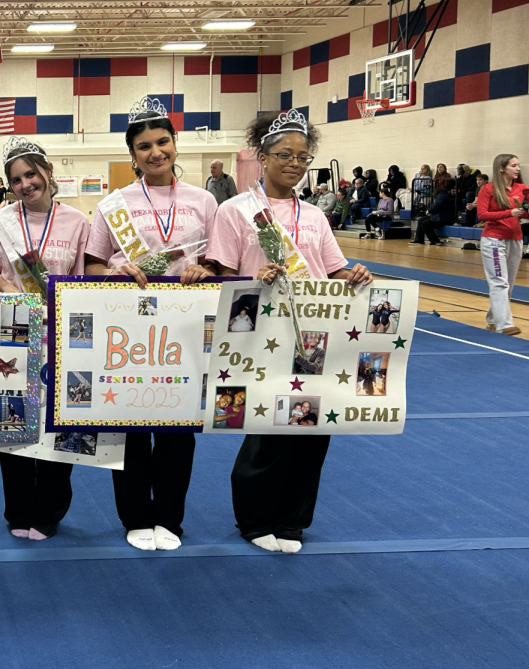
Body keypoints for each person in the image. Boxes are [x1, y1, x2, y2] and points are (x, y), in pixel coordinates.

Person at [206, 109, 371, 554]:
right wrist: (253, 276)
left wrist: (353, 275)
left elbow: (333, 270)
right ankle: (255, 519)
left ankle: (293, 519)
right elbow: (220, 277)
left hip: (315, 336)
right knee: (266, 429)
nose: (295, 164)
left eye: (303, 157)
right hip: (261, 334)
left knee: (312, 428)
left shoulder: (315, 215)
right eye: (285, 155)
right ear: (262, 156)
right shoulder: (235, 211)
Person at [83, 96, 217, 552]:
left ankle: (170, 518)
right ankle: (136, 515)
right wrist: (116, 272)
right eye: (144, 146)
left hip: (185, 326)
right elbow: (91, 268)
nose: (155, 152)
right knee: (133, 425)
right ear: (132, 154)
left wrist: (207, 272)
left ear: (176, 144)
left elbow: (219, 264)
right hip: (128, 327)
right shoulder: (113, 204)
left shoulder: (204, 200)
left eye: (163, 142)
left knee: (180, 428)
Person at [0, 136, 90, 541]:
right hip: (13, 330)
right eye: (16, 179)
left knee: (57, 424)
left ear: (48, 172)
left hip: (62, 331)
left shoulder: (78, 222)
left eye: (31, 174)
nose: (26, 184)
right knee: (13, 420)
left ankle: (49, 512)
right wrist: (19, 295)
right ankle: (18, 509)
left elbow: (85, 277)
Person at [476, 153, 529, 337]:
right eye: (513, 165)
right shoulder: (488, 189)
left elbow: (525, 214)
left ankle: (492, 320)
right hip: (494, 239)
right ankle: (504, 324)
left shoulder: (523, 189)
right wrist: (509, 212)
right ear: (501, 168)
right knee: (499, 281)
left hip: (515, 238)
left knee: (510, 283)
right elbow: (482, 215)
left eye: (518, 165)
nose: (518, 169)